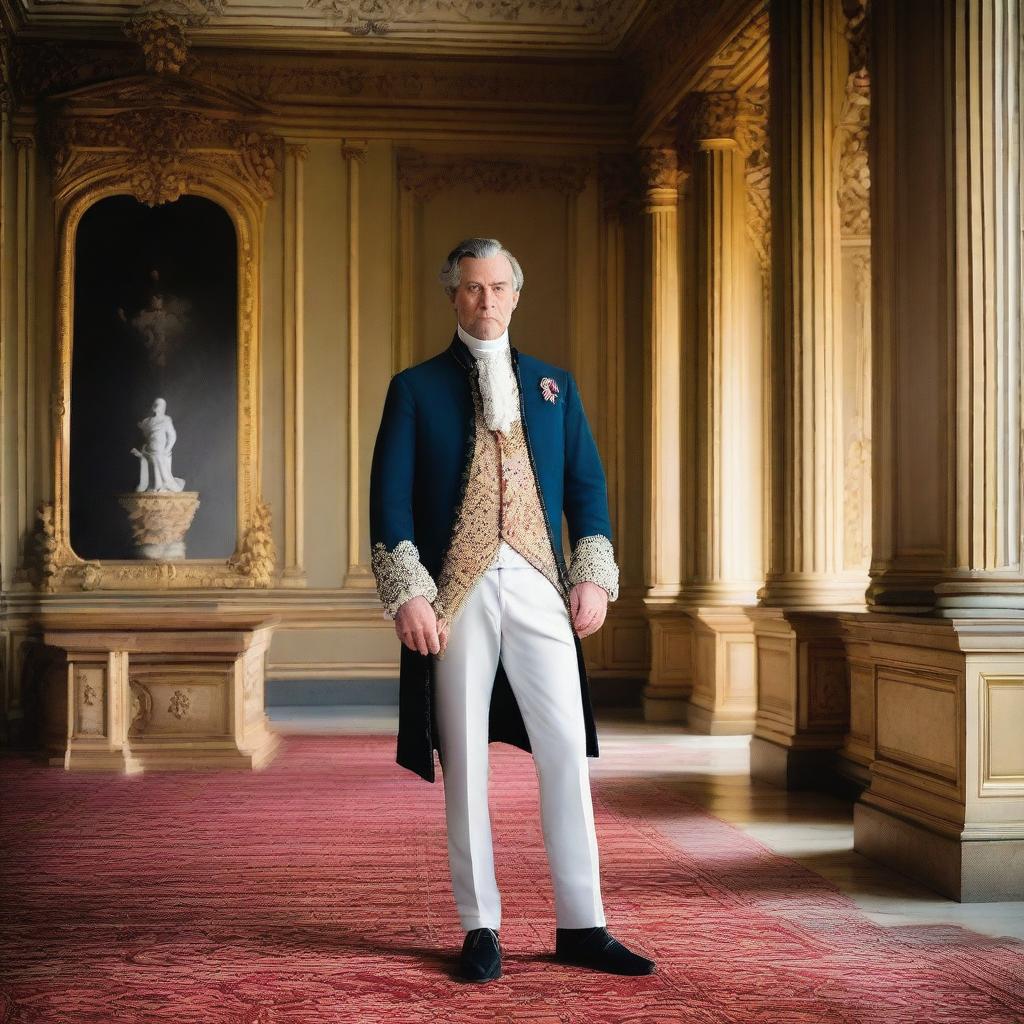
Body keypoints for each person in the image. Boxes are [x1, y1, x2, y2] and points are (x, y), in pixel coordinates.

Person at [369, 237, 655, 982]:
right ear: (453, 296)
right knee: (464, 760)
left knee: (565, 751)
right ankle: (480, 925)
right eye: (471, 288)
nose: (485, 300)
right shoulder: (415, 387)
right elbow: (389, 501)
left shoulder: (556, 386)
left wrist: (591, 576)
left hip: (539, 587)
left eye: (498, 287)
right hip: (454, 595)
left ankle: (583, 924)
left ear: (516, 295)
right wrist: (409, 592)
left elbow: (587, 489)